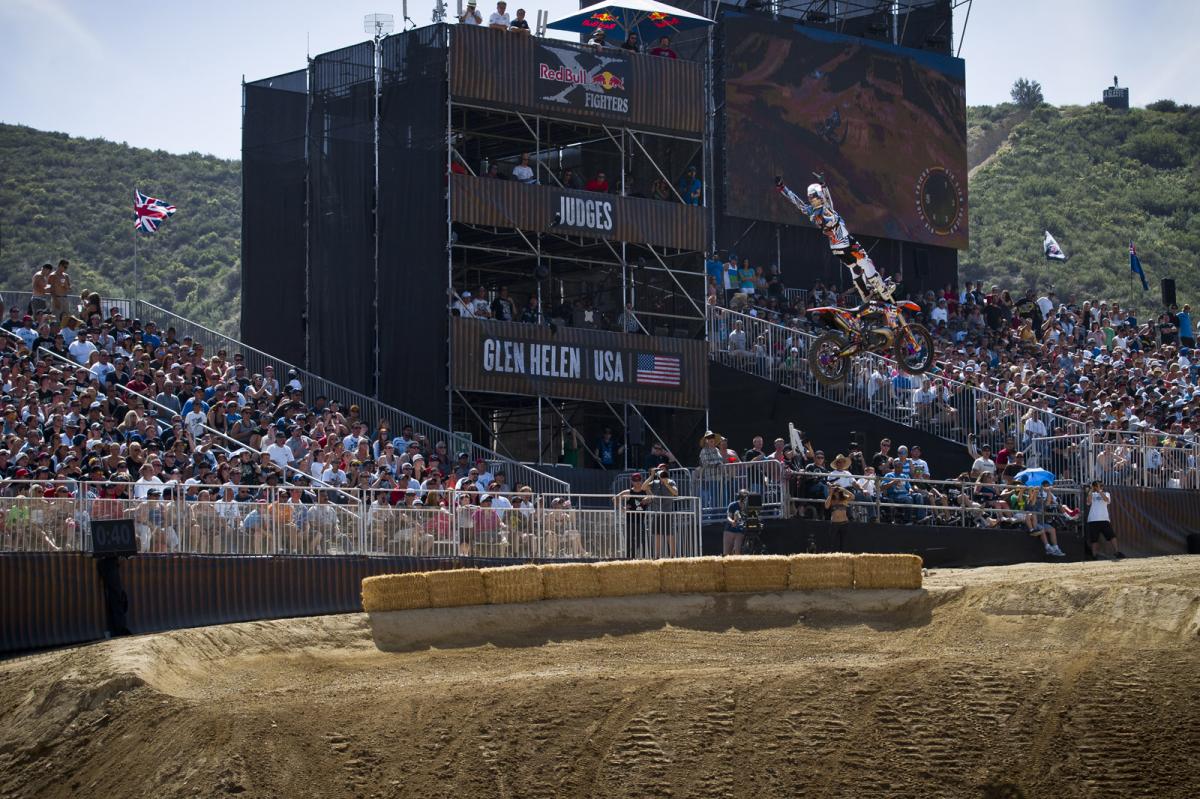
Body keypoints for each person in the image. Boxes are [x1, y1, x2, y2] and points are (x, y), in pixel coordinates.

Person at [774, 175, 890, 300]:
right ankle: (883, 289)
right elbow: (827, 198)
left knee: (854, 268)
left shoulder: (810, 211)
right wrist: (823, 185)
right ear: (819, 195)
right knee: (866, 262)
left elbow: (796, 201)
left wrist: (782, 188)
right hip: (846, 243)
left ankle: (865, 294)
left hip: (836, 248)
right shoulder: (826, 208)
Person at [1085, 481, 1125, 560]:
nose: (1097, 487)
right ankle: (1094, 555)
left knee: (1112, 536)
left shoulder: (1106, 493)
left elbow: (1106, 500)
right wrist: (1091, 490)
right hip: (1093, 519)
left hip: (1104, 519)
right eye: (1096, 486)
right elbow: (1088, 502)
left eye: (1099, 486)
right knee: (1094, 539)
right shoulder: (1092, 494)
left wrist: (1099, 491)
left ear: (1102, 487)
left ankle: (1117, 552)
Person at [723, 488, 749, 555]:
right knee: (726, 554)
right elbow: (728, 517)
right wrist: (732, 522)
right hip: (729, 530)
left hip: (740, 531)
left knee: (737, 553)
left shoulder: (748, 507)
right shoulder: (732, 505)